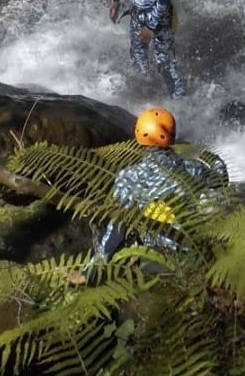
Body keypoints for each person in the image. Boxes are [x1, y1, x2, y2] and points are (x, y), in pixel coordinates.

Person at [94, 106, 228, 265]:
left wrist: (93, 268)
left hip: (154, 257)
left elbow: (118, 226)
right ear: (172, 135)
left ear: (138, 133)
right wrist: (211, 157)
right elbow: (221, 179)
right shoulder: (194, 169)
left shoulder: (129, 178)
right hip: (193, 254)